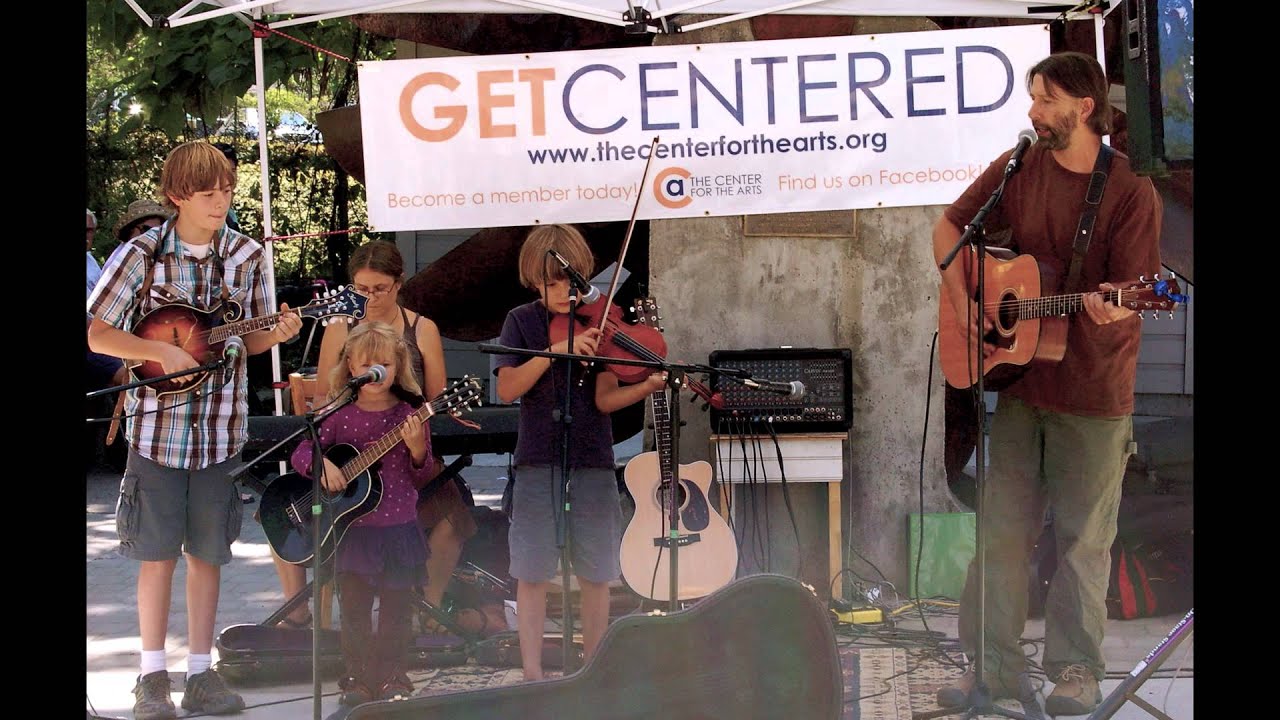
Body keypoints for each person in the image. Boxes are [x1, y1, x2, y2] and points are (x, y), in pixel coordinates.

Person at [931, 52, 1162, 717]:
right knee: (1000, 532)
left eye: (1043, 99)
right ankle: (993, 670)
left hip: (1093, 392)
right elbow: (949, 230)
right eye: (1031, 98)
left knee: (1083, 542)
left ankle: (1076, 673)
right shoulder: (1021, 164)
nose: (1031, 112)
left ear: (1083, 107)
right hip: (1023, 386)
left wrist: (1112, 302)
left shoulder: (1128, 190)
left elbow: (1139, 290)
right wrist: (971, 304)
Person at [87, 141, 304, 720]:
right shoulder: (142, 255)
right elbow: (97, 333)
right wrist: (156, 348)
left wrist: (278, 333)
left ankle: (201, 675)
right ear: (178, 194)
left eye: (228, 190)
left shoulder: (249, 255)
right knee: (156, 555)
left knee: (209, 555)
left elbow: (251, 338)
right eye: (210, 193)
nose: (221, 201)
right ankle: (151, 676)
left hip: (219, 432)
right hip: (157, 430)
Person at [267, 239, 475, 631]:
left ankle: (424, 614)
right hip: (346, 450)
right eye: (361, 288)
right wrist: (327, 455)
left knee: (454, 511)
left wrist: (414, 437)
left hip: (403, 451)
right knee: (284, 504)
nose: (370, 297)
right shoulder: (340, 325)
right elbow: (327, 396)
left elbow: (435, 399)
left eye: (380, 288)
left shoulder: (421, 327)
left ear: (399, 283)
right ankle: (298, 614)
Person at [493, 224, 666, 681]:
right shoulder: (520, 322)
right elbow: (508, 389)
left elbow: (605, 400)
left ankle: (593, 670)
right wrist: (555, 352)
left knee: (596, 570)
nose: (562, 292)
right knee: (531, 571)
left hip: (592, 456)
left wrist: (645, 386)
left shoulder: (600, 318)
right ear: (535, 280)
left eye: (569, 282)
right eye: (551, 283)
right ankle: (532, 673)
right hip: (537, 458)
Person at [289, 321, 434, 705]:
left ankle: (392, 677)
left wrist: (417, 447)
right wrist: (323, 468)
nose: (376, 371)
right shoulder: (338, 415)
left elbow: (423, 471)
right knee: (353, 610)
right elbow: (302, 452)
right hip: (354, 531)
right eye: (367, 364)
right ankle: (356, 677)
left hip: (398, 528)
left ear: (398, 366)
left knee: (396, 609)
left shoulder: (410, 414)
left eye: (384, 363)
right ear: (351, 367)